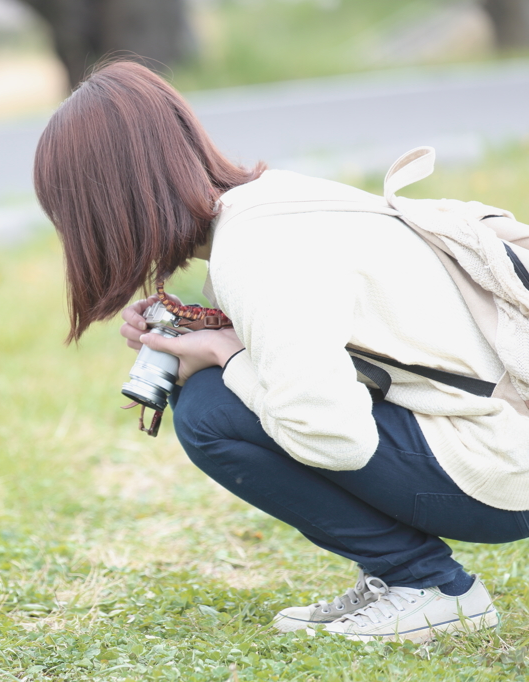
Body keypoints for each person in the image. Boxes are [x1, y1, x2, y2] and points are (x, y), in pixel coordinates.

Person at [33, 60, 529, 642]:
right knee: (217, 394)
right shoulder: (271, 200)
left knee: (210, 412)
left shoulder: (255, 250)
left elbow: (333, 436)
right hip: (502, 428)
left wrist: (225, 356)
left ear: (109, 203)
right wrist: (197, 324)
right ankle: (409, 581)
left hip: (501, 466)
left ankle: (429, 588)